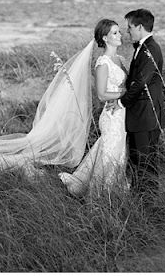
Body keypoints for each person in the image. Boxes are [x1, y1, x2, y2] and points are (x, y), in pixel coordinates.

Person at [0, 34, 97, 191]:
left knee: (21, 160)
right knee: (16, 160)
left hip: (48, 142)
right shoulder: (78, 95)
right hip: (48, 141)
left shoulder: (78, 93)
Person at [58, 19, 130, 197]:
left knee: (120, 153)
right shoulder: (103, 63)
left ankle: (114, 192)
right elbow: (102, 94)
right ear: (105, 38)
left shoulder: (120, 59)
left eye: (119, 31)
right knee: (110, 154)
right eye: (115, 32)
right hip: (112, 115)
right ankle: (100, 195)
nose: (120, 35)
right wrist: (124, 95)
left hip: (124, 114)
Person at [117, 9, 165, 197]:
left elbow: (142, 81)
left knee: (146, 161)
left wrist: (122, 102)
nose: (127, 31)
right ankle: (140, 198)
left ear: (139, 27)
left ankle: (149, 203)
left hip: (147, 114)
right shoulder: (142, 47)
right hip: (141, 115)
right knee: (138, 160)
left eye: (130, 27)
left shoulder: (151, 49)